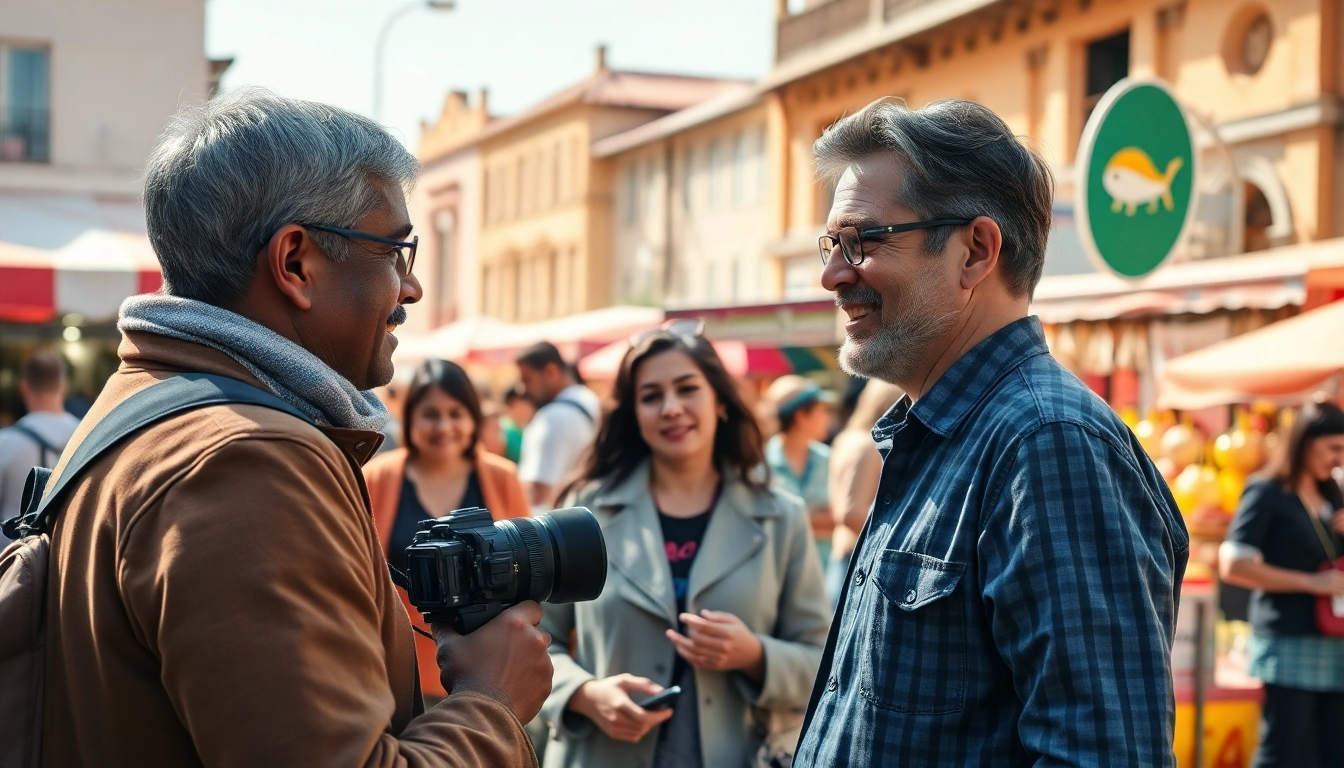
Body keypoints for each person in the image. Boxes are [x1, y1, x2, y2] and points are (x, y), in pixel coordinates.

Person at [37, 88, 549, 767]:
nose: (411, 289)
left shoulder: (146, 402)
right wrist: (494, 699)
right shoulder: (248, 461)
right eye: (395, 251)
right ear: (296, 263)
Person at [793, 97, 1188, 766]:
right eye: (832, 244)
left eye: (861, 241)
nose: (832, 275)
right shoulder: (952, 437)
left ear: (976, 251)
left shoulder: (1047, 443)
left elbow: (1102, 753)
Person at [539, 328, 830, 768]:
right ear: (634, 412)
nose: (671, 408)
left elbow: (823, 664)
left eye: (688, 389)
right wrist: (584, 694)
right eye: (651, 396)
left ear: (720, 401)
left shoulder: (781, 516)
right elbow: (533, 642)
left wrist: (754, 654)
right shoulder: (584, 511)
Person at [364, 358, 531, 702]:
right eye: (430, 414)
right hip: (394, 674)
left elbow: (528, 569)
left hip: (491, 676)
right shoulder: (376, 478)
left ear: (473, 418)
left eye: (456, 413)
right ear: (410, 418)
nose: (444, 426)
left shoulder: (502, 478)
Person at [1220, 401, 1344, 768]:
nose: (1338, 459)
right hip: (1289, 640)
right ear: (1304, 441)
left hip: (1335, 639)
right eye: (1333, 448)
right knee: (1284, 752)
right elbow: (1234, 564)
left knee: (1333, 752)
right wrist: (1311, 583)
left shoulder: (1333, 495)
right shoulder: (1266, 490)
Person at [824, 379, 903, 607]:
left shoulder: (847, 438)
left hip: (843, 553)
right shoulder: (867, 445)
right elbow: (850, 513)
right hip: (856, 556)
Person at [515, 342, 601, 512]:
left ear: (550, 372)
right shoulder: (591, 400)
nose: (522, 389)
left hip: (548, 528)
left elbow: (536, 493)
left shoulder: (552, 418)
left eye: (527, 379)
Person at [0, 352, 80, 527]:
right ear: (64, 386)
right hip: (66, 550)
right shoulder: (86, 436)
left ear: (24, 387)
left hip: (14, 551)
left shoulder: (5, 443)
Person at [763, 375, 837, 561]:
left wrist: (787, 519)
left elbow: (841, 518)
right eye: (821, 410)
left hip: (825, 578)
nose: (827, 418)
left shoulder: (829, 459)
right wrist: (818, 519)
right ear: (801, 416)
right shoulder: (760, 464)